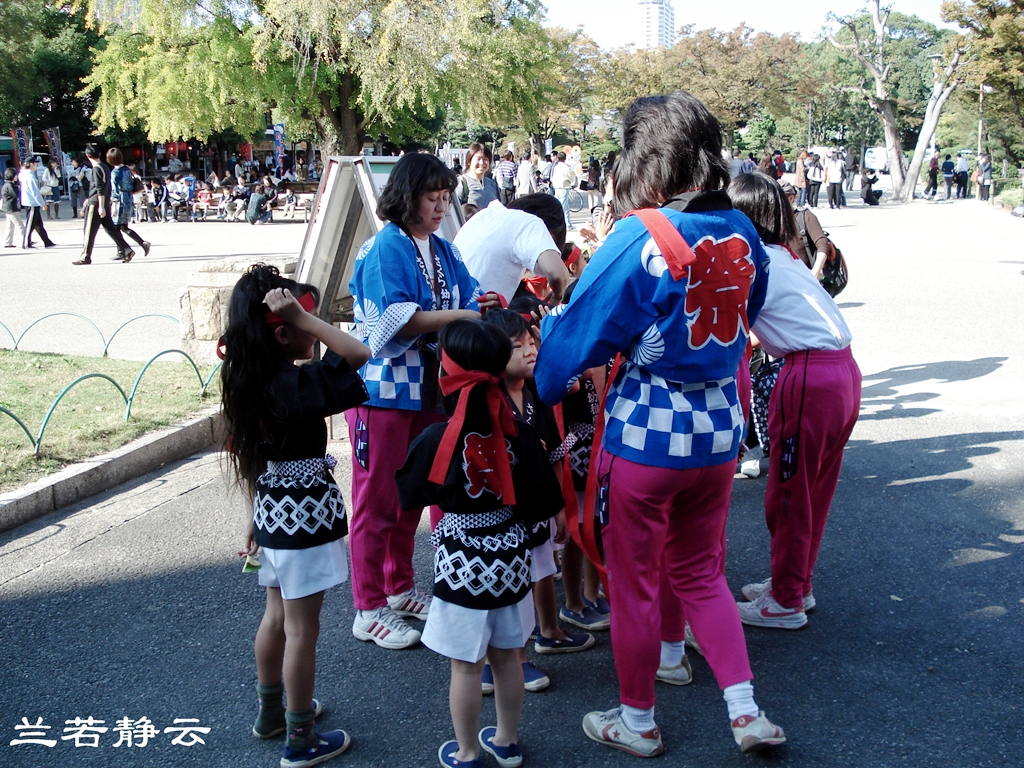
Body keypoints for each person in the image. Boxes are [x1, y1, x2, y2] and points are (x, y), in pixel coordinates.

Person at [534, 91, 784, 756]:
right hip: (718, 434)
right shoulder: (743, 231)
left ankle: (637, 721)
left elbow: (571, 346)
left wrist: (542, 382)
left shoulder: (638, 236)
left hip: (647, 436)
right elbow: (751, 306)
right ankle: (744, 710)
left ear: (642, 160)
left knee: (638, 582)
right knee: (701, 572)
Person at [346, 152, 501, 650]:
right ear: (408, 196)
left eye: (444, 197)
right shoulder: (385, 246)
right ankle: (367, 605)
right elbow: (393, 319)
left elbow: (468, 297)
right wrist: (463, 315)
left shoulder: (442, 248)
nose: (441, 206)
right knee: (376, 498)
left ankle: (397, 586)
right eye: (432, 197)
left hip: (427, 388)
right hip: (384, 389)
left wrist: (481, 307)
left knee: (411, 491)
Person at [396, 319, 561, 768]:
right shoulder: (520, 435)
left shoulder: (437, 438)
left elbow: (410, 492)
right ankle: (505, 741)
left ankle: (467, 751)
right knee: (509, 657)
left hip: (462, 557)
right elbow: (544, 498)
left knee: (466, 665)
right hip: (510, 554)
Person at [223, 264, 370, 768]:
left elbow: (253, 460)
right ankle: (300, 738)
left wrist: (254, 519)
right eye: (300, 320)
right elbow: (357, 353)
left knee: (277, 617)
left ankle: (272, 714)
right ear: (283, 332)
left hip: (270, 510)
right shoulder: (295, 385)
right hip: (304, 514)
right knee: (303, 630)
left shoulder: (250, 378)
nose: (310, 325)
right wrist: (306, 320)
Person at [726, 173, 860, 631]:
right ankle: (795, 583)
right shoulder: (785, 255)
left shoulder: (752, 259)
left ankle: (784, 601)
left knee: (788, 494)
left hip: (809, 378)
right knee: (813, 491)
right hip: (842, 371)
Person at [453, 193, 571, 305]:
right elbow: (559, 276)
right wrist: (557, 298)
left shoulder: (485, 214)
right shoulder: (531, 223)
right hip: (473, 315)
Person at [74, 146, 135, 264]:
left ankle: (85, 256)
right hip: (104, 202)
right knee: (110, 229)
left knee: (89, 230)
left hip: (96, 203)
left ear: (87, 156)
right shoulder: (105, 167)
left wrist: (100, 206)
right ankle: (126, 249)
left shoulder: (96, 169)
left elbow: (99, 189)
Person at [108, 148, 151, 259]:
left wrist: (114, 205)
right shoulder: (126, 169)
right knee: (122, 226)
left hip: (121, 199)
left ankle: (124, 250)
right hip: (128, 197)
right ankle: (129, 248)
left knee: (117, 227)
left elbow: (115, 190)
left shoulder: (115, 172)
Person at [19, 158, 56, 249]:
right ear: (31, 164)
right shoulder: (30, 176)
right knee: (30, 224)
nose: (36, 166)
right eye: (35, 164)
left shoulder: (25, 174)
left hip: (32, 202)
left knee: (38, 224)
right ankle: (26, 243)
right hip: (32, 203)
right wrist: (42, 203)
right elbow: (34, 192)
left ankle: (47, 242)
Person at [458, 143, 501, 209]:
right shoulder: (461, 183)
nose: (481, 163)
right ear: (469, 161)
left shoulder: (492, 184)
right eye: (478, 159)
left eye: (485, 159)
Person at [550, 152, 576, 231]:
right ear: (565, 158)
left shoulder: (556, 167)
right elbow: (571, 177)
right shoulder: (566, 167)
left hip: (556, 187)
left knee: (564, 206)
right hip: (563, 187)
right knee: (563, 207)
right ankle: (564, 225)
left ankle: (567, 223)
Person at [2, 167, 25, 248]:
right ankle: (25, 240)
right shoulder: (10, 185)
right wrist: (19, 188)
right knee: (20, 225)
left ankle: (7, 242)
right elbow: (15, 195)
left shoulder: (6, 184)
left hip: (8, 208)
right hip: (11, 208)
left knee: (10, 226)